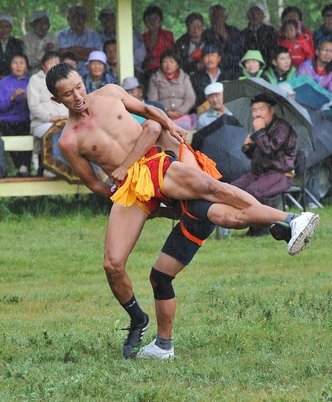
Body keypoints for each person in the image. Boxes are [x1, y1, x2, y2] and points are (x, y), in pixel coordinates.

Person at [45, 63, 320, 359]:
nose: (77, 96)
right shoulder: (69, 140)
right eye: (68, 94)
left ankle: (290, 220)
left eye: (78, 87)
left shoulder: (110, 93)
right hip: (130, 189)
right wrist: (119, 192)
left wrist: (172, 126)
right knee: (113, 265)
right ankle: (140, 320)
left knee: (218, 202)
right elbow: (94, 183)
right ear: (56, 100)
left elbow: (151, 117)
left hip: (154, 163)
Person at [231, 93, 297, 236]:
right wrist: (247, 145)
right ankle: (246, 225)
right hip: (258, 173)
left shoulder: (282, 127)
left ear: (271, 110)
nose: (257, 113)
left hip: (280, 174)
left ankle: (260, 229)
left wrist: (259, 131)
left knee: (253, 191)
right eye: (254, 110)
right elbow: (252, 154)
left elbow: (270, 150)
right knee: (233, 190)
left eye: (261, 109)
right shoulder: (261, 127)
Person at [27, 50, 68, 177]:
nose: (54, 65)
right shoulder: (35, 80)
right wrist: (51, 118)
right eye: (51, 63)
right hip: (42, 123)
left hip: (65, 121)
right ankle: (51, 168)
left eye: (57, 63)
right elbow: (33, 105)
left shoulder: (65, 80)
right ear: (43, 65)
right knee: (55, 130)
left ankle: (70, 168)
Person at [147, 50, 196, 129]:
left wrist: (179, 112)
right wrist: (166, 112)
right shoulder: (155, 78)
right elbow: (153, 100)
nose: (168, 65)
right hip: (162, 116)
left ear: (177, 64)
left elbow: (190, 99)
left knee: (186, 127)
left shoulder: (184, 78)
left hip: (182, 116)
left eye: (172, 61)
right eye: (165, 62)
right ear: (161, 64)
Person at [0, 54, 30, 177]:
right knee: (9, 133)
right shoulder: (3, 83)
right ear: (10, 66)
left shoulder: (31, 82)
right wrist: (12, 97)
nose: (18, 66)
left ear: (26, 67)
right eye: (15, 62)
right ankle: (21, 167)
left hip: (25, 119)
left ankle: (25, 167)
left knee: (29, 131)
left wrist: (28, 98)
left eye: (21, 63)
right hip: (6, 120)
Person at [98, 7, 146, 80]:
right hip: (109, 70)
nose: (107, 23)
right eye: (104, 21)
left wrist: (126, 65)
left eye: (110, 20)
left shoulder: (130, 31)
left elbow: (140, 52)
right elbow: (101, 55)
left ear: (116, 19)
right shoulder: (101, 37)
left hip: (134, 69)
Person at [56, 5, 103, 76]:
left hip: (90, 75)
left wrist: (72, 50)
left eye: (81, 17)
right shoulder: (61, 35)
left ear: (85, 19)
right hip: (66, 74)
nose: (78, 20)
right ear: (68, 19)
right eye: (74, 17)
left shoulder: (94, 36)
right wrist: (88, 55)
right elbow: (61, 54)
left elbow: (98, 57)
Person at [203, 4, 244, 77]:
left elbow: (240, 50)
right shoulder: (206, 33)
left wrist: (226, 38)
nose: (216, 20)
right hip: (212, 68)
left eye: (219, 16)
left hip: (232, 68)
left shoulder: (233, 30)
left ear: (225, 18)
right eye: (213, 16)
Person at [190, 44, 234, 110]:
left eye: (213, 55)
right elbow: (193, 99)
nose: (210, 59)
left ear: (219, 58)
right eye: (206, 56)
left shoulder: (228, 75)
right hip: (203, 111)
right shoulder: (195, 77)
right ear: (202, 59)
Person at [141, 5, 174, 87]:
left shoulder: (168, 35)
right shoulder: (142, 37)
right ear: (145, 22)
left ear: (160, 21)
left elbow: (171, 54)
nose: (152, 21)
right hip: (146, 72)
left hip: (164, 70)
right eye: (149, 19)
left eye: (155, 18)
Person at [20, 11, 59, 76]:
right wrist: (44, 52)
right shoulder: (24, 40)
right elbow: (29, 62)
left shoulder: (54, 40)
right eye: (39, 23)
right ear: (32, 24)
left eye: (45, 23)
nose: (43, 26)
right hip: (30, 75)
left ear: (49, 25)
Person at [241, 3, 277, 67]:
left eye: (258, 13)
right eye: (252, 14)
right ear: (247, 16)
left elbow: (273, 48)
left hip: (267, 65)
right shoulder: (243, 33)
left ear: (262, 15)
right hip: (249, 66)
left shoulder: (269, 30)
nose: (255, 16)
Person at [0, 13, 24, 79]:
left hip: (13, 78)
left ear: (11, 28)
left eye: (7, 26)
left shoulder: (18, 43)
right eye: (1, 26)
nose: (4, 30)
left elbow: (20, 61)